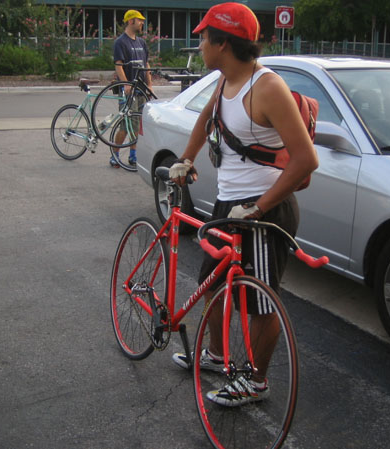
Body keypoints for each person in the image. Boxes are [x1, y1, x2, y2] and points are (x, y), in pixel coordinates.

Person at [169, 3, 319, 407]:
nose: (199, 43)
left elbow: (306, 159)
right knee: (212, 287)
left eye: (203, 37)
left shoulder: (266, 87)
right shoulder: (226, 82)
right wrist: (186, 159)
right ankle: (217, 356)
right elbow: (206, 121)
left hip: (264, 212)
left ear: (223, 43)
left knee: (260, 301)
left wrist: (259, 207)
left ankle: (255, 380)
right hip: (227, 206)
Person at [110, 9, 152, 168]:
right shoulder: (121, 42)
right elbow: (118, 65)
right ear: (130, 21)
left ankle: (133, 155)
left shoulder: (141, 42)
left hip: (141, 89)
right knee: (126, 125)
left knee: (138, 124)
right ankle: (115, 154)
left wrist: (149, 84)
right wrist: (125, 84)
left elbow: (146, 64)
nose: (142, 23)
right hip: (128, 90)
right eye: (139, 20)